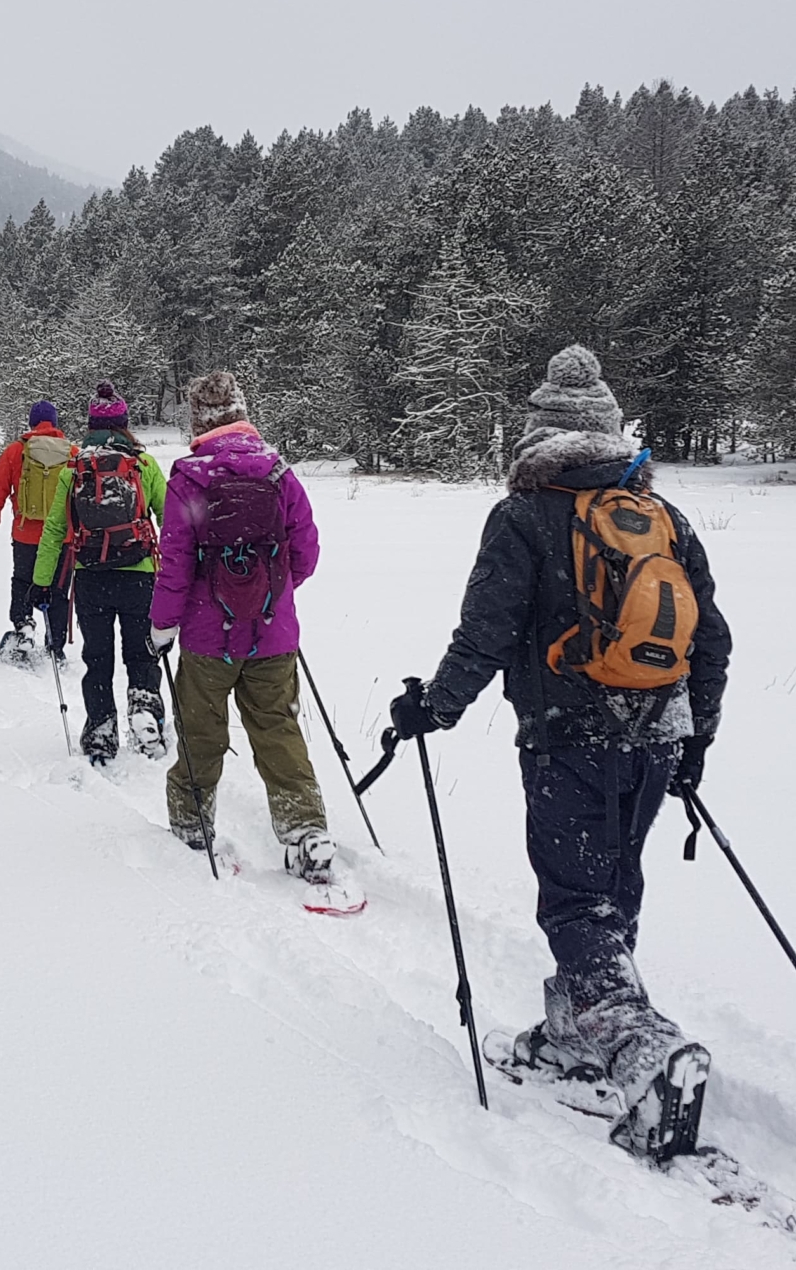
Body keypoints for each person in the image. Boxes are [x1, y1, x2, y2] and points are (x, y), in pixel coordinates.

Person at [386, 344, 731, 1160]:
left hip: (567, 735)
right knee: (613, 887)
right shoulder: (663, 518)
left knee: (575, 901)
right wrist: (696, 737)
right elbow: (709, 637)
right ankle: (576, 1034)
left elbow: (488, 631)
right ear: (613, 431)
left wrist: (433, 707)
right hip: (656, 729)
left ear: (537, 432)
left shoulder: (524, 515)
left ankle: (641, 1046)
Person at [149, 371, 336, 883]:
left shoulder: (188, 479)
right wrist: (270, 594)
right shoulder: (279, 474)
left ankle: (191, 824)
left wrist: (163, 624)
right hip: (274, 637)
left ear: (198, 419)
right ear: (242, 411)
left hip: (208, 641)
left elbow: (175, 564)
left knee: (201, 731)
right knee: (277, 727)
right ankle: (305, 830)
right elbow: (307, 552)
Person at [32, 383, 168, 765]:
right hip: (139, 574)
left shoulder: (74, 469)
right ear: (125, 424)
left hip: (90, 577)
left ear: (90, 425)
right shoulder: (143, 464)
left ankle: (100, 731)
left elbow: (56, 530)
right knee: (142, 655)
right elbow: (171, 520)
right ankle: (145, 712)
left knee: (98, 657)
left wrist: (41, 582)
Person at [0, 399, 72, 665]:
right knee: (58, 588)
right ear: (55, 423)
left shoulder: (16, 451)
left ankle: (23, 627)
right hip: (62, 537)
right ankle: (56, 645)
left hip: (26, 534)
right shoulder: (72, 452)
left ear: (31, 423)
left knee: (22, 581)